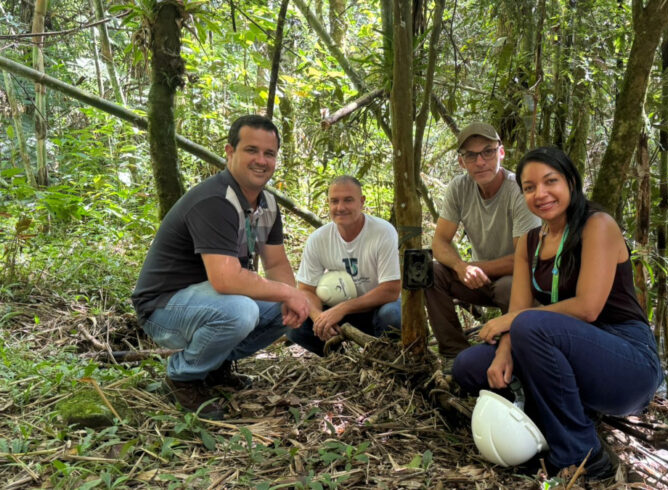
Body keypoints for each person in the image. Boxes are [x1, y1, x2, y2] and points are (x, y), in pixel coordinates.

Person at [452, 147, 663, 480]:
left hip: (627, 364)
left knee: (532, 325)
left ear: (571, 182)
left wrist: (511, 321)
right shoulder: (530, 242)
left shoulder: (598, 225)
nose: (541, 194)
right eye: (530, 187)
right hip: (565, 353)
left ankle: (585, 456)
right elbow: (520, 309)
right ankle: (543, 421)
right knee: (469, 367)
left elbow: (587, 307)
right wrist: (504, 351)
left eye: (551, 182)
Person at [131, 115, 310, 420]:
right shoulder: (215, 199)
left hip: (208, 301)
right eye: (251, 150)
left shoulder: (267, 203)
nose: (261, 160)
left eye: (269, 154)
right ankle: (183, 376)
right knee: (242, 311)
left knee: (287, 309)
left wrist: (292, 299)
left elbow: (277, 263)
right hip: (164, 308)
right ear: (230, 152)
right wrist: (285, 292)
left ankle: (213, 366)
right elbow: (226, 279)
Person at [425, 122, 539, 365]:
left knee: (508, 287)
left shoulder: (517, 190)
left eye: (488, 151)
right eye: (471, 155)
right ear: (461, 162)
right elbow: (440, 242)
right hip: (479, 279)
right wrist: (460, 267)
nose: (480, 162)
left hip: (518, 279)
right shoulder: (460, 187)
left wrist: (476, 267)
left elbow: (524, 257)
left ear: (501, 152)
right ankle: (454, 354)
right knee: (432, 272)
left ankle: (515, 355)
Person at [286, 176, 401, 356]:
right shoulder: (319, 238)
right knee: (295, 321)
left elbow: (391, 290)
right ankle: (338, 358)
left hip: (377, 309)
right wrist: (320, 319)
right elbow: (306, 289)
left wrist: (343, 308)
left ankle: (382, 359)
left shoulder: (382, 232)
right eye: (334, 201)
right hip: (338, 312)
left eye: (348, 200)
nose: (340, 207)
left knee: (393, 315)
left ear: (361, 202)